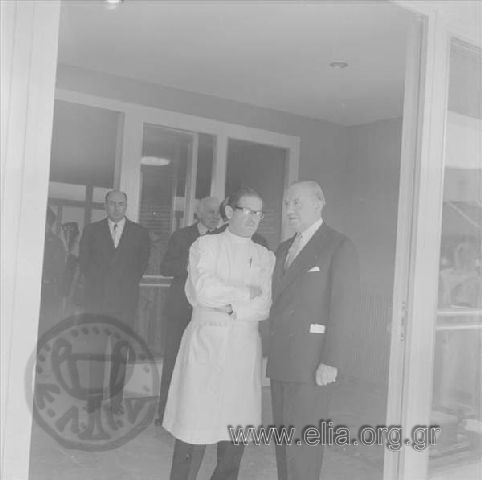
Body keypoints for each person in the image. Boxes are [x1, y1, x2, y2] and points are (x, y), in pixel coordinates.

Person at [163, 187, 275, 480]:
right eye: (248, 211)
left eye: (259, 214)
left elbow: (263, 306)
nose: (254, 219)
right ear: (229, 212)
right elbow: (204, 290)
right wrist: (244, 293)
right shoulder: (205, 246)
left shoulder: (264, 255)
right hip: (206, 343)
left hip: (243, 348)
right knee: (194, 426)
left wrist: (231, 307)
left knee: (235, 431)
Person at [267, 180, 360, 480]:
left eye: (297, 202)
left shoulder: (338, 245)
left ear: (319, 203)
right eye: (286, 203)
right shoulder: (283, 248)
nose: (289, 209)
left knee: (303, 445)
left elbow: (344, 308)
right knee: (284, 440)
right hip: (282, 361)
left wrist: (331, 361)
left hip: (312, 362)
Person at [78, 190, 151, 412]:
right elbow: (84, 263)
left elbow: (141, 265)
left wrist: (121, 285)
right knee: (96, 353)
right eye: (112, 203)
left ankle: (117, 401)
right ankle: (94, 400)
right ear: (105, 205)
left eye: (120, 204)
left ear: (126, 206)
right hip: (97, 303)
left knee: (120, 353)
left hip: (124, 304)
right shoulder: (92, 231)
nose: (116, 208)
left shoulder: (139, 233)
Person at [154, 196, 221, 425]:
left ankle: (199, 415)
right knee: (173, 361)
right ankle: (164, 413)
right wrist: (192, 265)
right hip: (179, 310)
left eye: (218, 212)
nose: (216, 216)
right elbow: (166, 267)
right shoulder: (181, 236)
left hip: (209, 313)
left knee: (205, 364)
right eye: (211, 212)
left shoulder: (223, 239)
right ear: (199, 213)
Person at [39, 207, 66, 336]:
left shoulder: (56, 243)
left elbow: (60, 270)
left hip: (49, 289)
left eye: (45, 222)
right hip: (33, 289)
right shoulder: (33, 241)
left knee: (46, 325)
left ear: (49, 224)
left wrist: (60, 293)